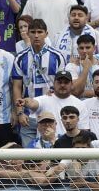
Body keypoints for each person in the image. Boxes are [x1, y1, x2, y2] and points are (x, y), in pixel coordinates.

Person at [12, 18, 66, 146]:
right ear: (27, 33)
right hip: (28, 116)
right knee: (29, 159)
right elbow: (16, 87)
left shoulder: (57, 57)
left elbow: (63, 85)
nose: (36, 36)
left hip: (50, 114)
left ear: (46, 34)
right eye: (33, 32)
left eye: (40, 32)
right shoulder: (20, 58)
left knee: (52, 156)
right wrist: (19, 112)